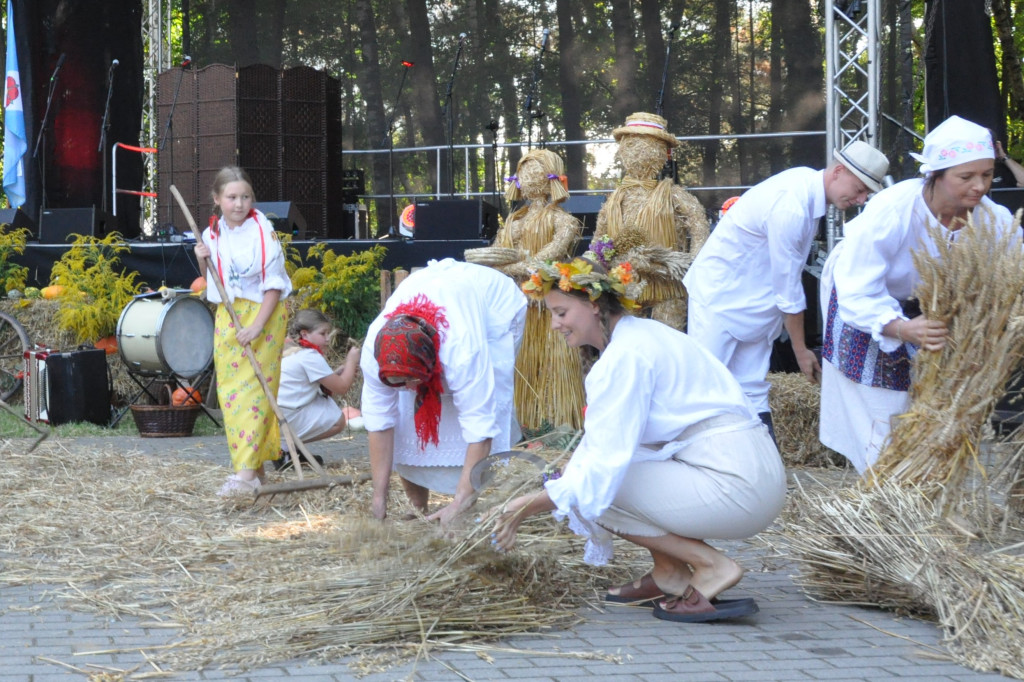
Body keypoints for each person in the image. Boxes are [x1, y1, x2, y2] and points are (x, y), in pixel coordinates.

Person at [490, 251, 787, 623]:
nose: (554, 325)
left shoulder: (624, 357)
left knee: (594, 488)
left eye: (561, 313)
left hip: (736, 483)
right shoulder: (646, 335)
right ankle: (670, 574)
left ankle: (710, 566)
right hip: (749, 472)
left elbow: (601, 467)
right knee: (591, 477)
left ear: (595, 305)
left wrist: (526, 505)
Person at [819, 115, 1015, 474]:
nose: (979, 187)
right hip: (861, 295)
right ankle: (882, 487)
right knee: (880, 402)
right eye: (966, 177)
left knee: (923, 398)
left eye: (986, 175)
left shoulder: (993, 220)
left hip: (922, 307)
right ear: (935, 175)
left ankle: (910, 482)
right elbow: (858, 288)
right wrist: (899, 327)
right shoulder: (893, 211)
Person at [683, 140, 890, 439]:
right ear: (839, 171)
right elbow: (789, 288)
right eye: (859, 189)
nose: (860, 200)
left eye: (866, 194)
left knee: (751, 387)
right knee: (702, 387)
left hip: (756, 303)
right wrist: (800, 350)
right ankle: (691, 464)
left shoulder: (806, 185)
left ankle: (765, 470)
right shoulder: (792, 204)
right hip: (719, 298)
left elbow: (784, 284)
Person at [359, 258, 527, 524]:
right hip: (441, 296)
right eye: (399, 383)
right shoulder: (373, 353)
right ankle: (417, 507)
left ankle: (464, 505)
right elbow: (379, 422)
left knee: (473, 403)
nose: (409, 390)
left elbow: (480, 426)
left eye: (412, 381)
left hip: (496, 306)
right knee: (405, 415)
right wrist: (378, 498)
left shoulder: (463, 351)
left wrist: (460, 502)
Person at [465, 148, 585, 430]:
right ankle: (523, 421)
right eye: (524, 173)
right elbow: (497, 253)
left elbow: (549, 256)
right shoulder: (513, 221)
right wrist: (496, 263)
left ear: (550, 178)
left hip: (548, 302)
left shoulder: (563, 220)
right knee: (518, 361)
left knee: (555, 364)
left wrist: (509, 268)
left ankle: (559, 420)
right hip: (515, 304)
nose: (529, 179)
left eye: (535, 173)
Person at [193, 166, 292, 496]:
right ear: (217, 199)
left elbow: (274, 286)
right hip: (228, 315)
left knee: (254, 392)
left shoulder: (264, 233)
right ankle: (257, 469)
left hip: (263, 315)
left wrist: (257, 326)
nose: (239, 204)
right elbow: (212, 284)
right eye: (232, 197)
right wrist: (201, 260)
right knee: (232, 393)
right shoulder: (211, 234)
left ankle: (245, 474)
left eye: (245, 196)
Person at [595, 111, 710, 330]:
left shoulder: (671, 194)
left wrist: (692, 263)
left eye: (646, 143)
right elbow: (600, 239)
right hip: (626, 282)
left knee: (668, 335)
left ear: (663, 153)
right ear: (622, 150)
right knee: (628, 336)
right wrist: (596, 265)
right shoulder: (614, 199)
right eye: (631, 143)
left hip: (667, 281)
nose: (638, 150)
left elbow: (698, 223)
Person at [274, 309, 361, 470]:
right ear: (305, 334)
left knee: (322, 402)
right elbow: (342, 387)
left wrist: (336, 373)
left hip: (278, 415)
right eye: (323, 333)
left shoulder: (291, 348)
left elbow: (314, 383)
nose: (328, 339)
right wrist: (351, 361)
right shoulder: (309, 356)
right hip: (287, 417)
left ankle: (289, 447)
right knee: (337, 420)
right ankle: (285, 447)